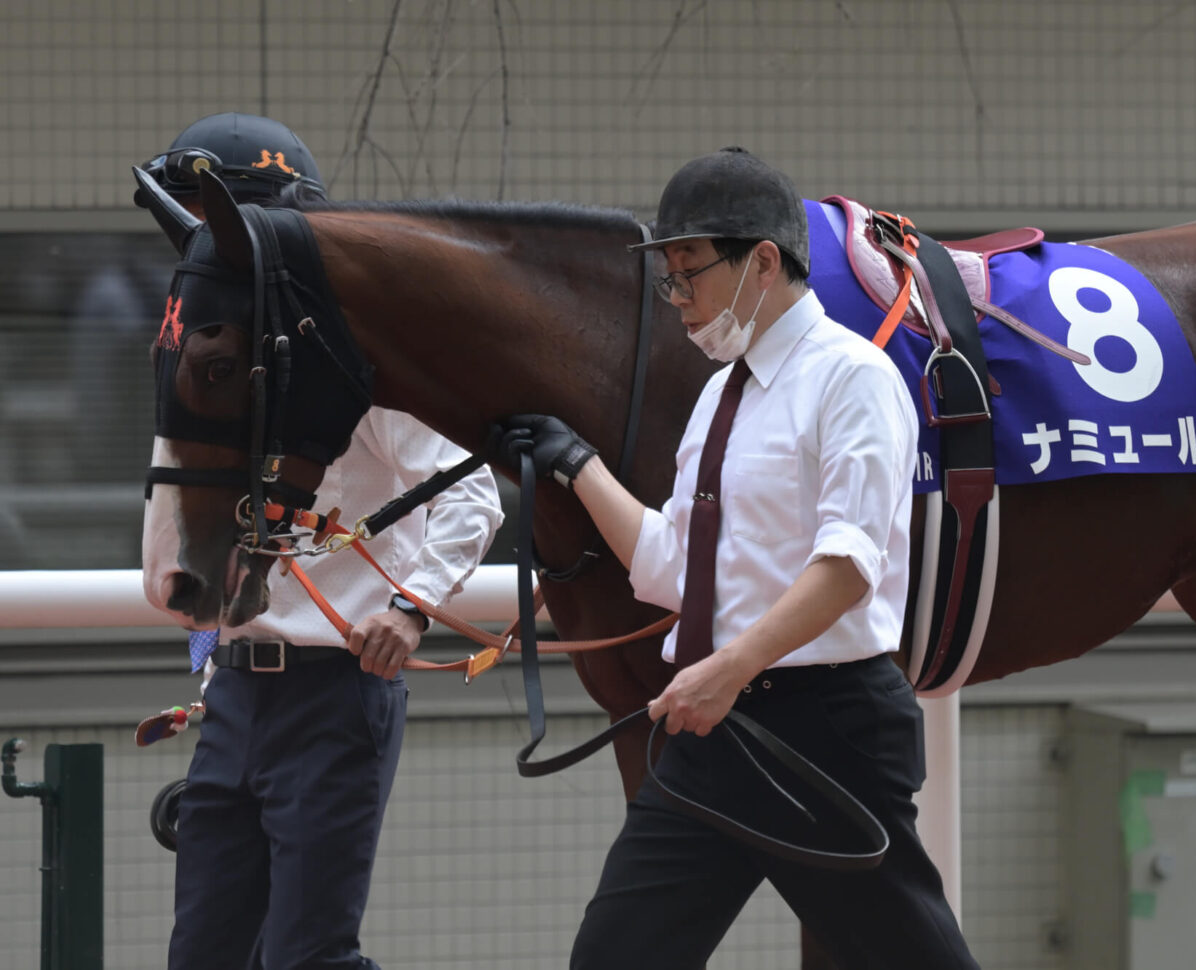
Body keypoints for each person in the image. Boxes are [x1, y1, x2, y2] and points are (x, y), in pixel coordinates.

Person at [492, 147, 979, 969]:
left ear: (762, 262)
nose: (677, 298)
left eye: (691, 272)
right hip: (715, 734)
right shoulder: (721, 391)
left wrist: (725, 670)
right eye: (668, 277)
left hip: (826, 731)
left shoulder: (852, 378)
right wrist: (579, 466)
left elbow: (848, 566)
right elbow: (672, 568)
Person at [137, 112, 504, 970]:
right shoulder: (209, 358)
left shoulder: (350, 365)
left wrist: (410, 610)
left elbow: (472, 492)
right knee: (205, 958)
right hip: (233, 693)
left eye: (207, 219)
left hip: (335, 697)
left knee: (309, 957)